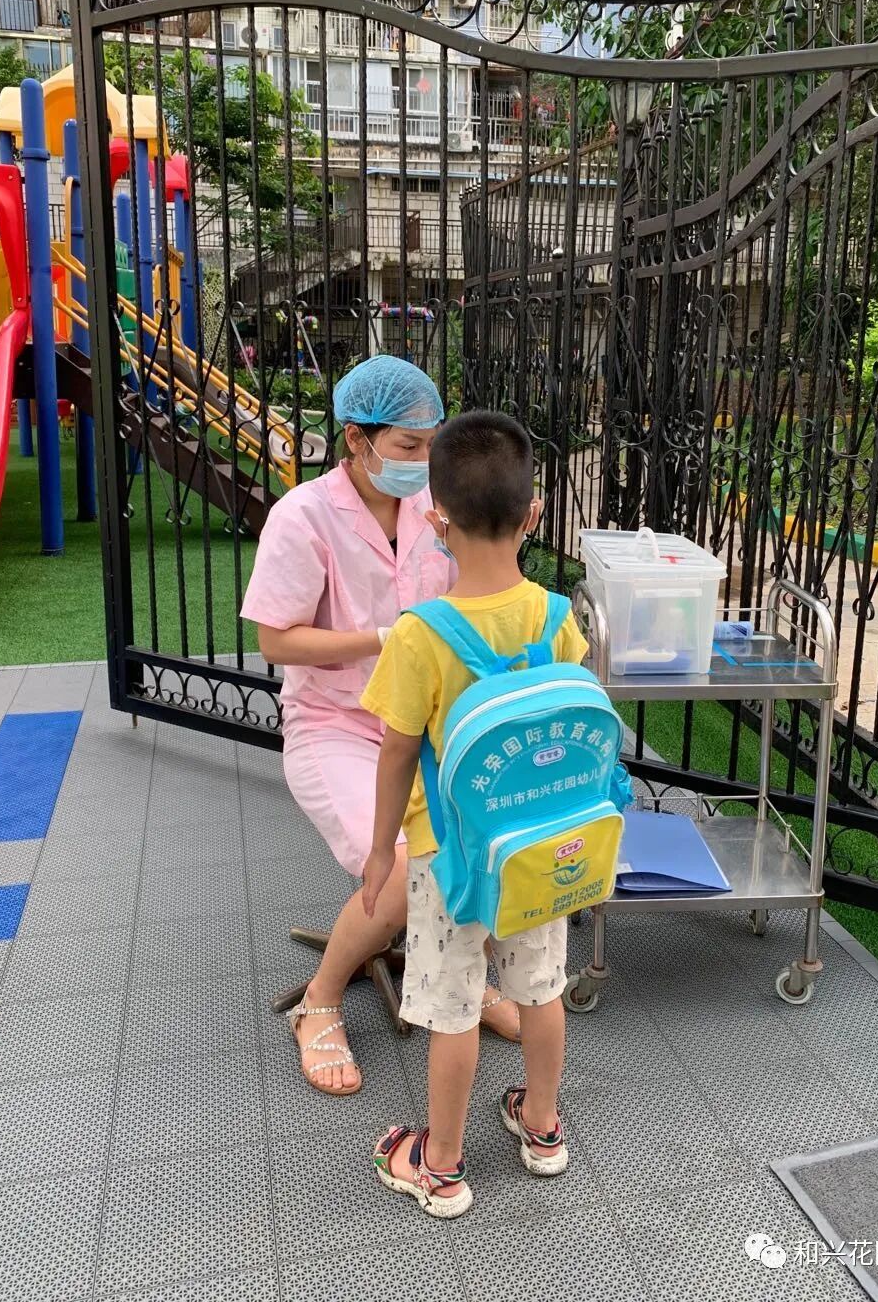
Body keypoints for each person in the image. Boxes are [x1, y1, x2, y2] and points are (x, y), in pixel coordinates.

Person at [240, 357, 521, 1097]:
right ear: (356, 439)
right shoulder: (303, 516)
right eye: (407, 445)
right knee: (400, 866)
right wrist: (384, 639)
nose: (423, 459)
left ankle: (467, 974)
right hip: (334, 721)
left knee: (486, 834)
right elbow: (275, 640)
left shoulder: (438, 507)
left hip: (427, 719)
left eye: (432, 442)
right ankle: (320, 1001)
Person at [360, 411, 589, 1217]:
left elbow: (396, 752)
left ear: (435, 520)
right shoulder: (556, 617)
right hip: (538, 846)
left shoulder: (420, 635)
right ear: (534, 515)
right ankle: (543, 1128)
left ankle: (443, 1166)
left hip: (449, 855)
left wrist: (380, 850)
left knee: (454, 1008)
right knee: (539, 989)